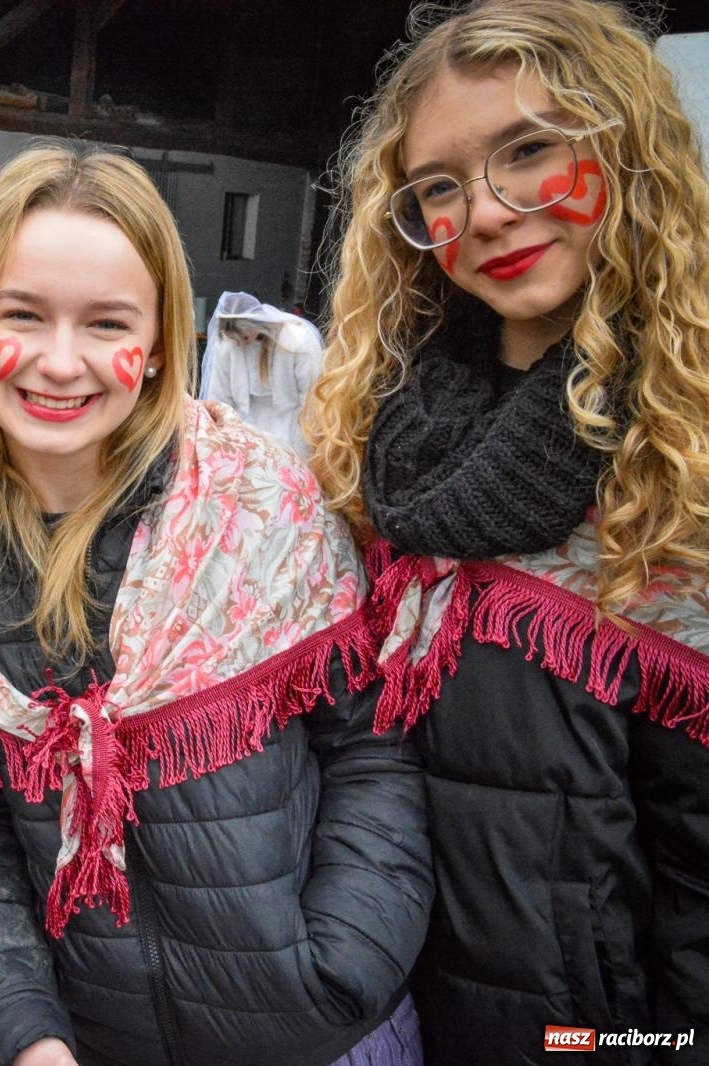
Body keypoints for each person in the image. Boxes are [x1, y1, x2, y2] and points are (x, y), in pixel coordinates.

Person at [0, 143, 432, 1066]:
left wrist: (348, 961)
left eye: (107, 323)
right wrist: (24, 1033)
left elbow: (368, 746)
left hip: (323, 1038)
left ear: (155, 346)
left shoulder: (263, 506)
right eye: (21, 314)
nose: (60, 362)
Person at [305, 1, 709, 1061]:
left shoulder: (686, 467)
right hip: (389, 1017)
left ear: (625, 154)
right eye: (439, 186)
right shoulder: (373, 444)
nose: (484, 212)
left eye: (529, 152)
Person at [198, 290, 325, 457]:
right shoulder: (226, 347)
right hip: (245, 428)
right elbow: (219, 397)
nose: (238, 345)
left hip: (290, 427)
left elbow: (310, 395)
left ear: (256, 326)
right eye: (233, 340)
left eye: (243, 338)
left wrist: (307, 436)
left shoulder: (296, 341)